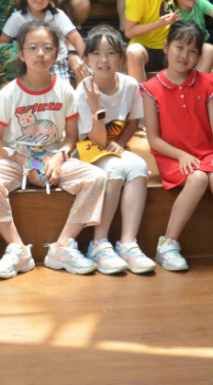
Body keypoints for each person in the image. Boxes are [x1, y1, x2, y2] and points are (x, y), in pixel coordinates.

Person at [0, 21, 107, 278]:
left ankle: (62, 247)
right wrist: (26, 163)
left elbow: (71, 137)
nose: (40, 54)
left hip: (53, 157)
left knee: (97, 177)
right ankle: (17, 250)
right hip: (17, 158)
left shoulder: (64, 90)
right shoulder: (9, 93)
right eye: (32, 48)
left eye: (48, 48)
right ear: (21, 54)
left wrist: (58, 158)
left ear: (57, 53)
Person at [141, 22, 213, 272]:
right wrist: (181, 155)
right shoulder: (151, 89)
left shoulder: (207, 82)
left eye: (192, 51)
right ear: (166, 47)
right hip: (173, 156)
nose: (184, 55)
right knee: (197, 179)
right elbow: (153, 139)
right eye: (179, 47)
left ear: (199, 56)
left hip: (206, 152)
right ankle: (167, 243)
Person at [73, 26, 155, 274]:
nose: (104, 60)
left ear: (120, 57)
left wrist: (121, 142)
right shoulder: (84, 90)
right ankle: (98, 244)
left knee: (139, 166)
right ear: (87, 59)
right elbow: (96, 140)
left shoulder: (130, 85)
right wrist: (97, 107)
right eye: (96, 53)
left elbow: (132, 123)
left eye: (110, 53)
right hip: (87, 148)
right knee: (116, 168)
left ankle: (128, 243)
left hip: (112, 147)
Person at [0, 0, 88, 85]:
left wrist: (81, 62)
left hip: (60, 59)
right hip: (38, 64)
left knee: (91, 78)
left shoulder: (57, 15)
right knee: (57, 88)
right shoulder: (17, 18)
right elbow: (2, 43)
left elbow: (77, 40)